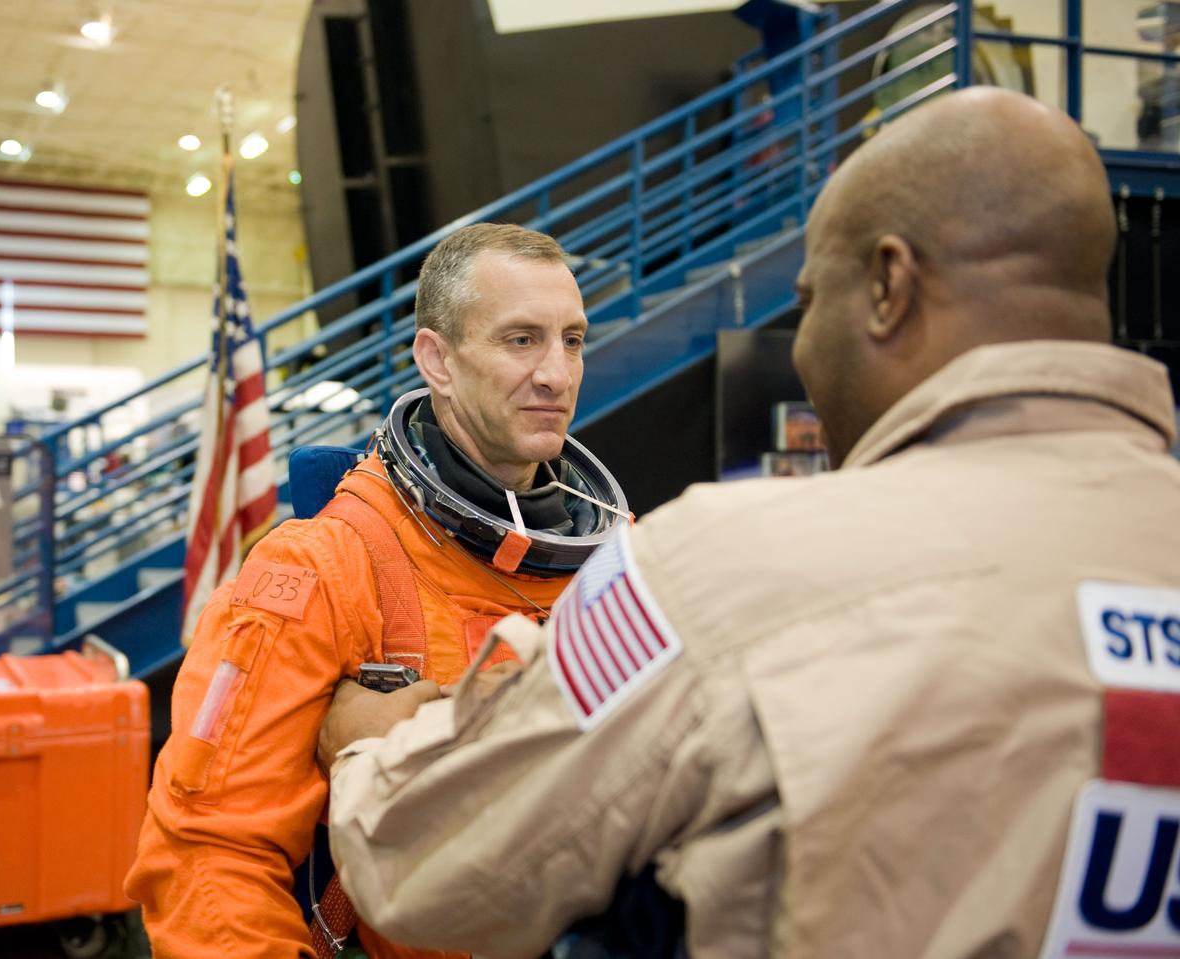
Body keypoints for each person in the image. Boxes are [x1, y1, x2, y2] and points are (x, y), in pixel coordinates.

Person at [321, 88, 1180, 958]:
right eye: (521, 340)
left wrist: (374, 745)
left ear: (887, 287)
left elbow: (422, 856)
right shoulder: (340, 553)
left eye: (809, 302)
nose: (555, 371)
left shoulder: (721, 567)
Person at [125, 223, 629, 959]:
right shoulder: (318, 572)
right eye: (521, 340)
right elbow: (210, 856)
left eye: (573, 340)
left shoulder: (620, 557)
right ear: (438, 360)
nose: (557, 373)